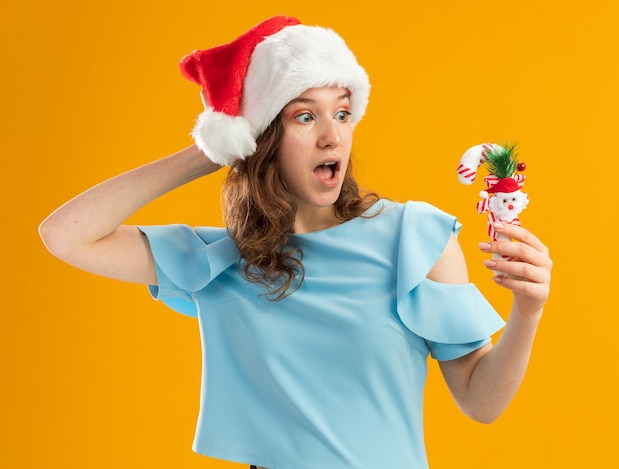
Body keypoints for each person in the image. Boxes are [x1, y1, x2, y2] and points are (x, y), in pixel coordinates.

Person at [39, 15, 552, 469]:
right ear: (263, 138)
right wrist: (214, 146)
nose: (333, 136)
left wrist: (526, 312)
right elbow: (65, 235)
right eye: (304, 115)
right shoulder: (222, 263)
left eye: (343, 112)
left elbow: (480, 402)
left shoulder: (414, 239)